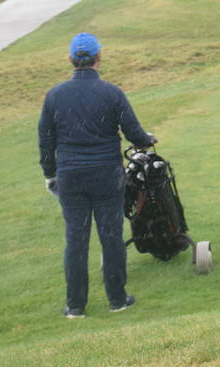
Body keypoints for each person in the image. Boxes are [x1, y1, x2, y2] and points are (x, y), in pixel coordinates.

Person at [38, 33, 156, 317]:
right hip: (105, 174)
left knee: (76, 240)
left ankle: (75, 306)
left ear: (70, 59)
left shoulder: (55, 95)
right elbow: (134, 134)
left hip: (70, 175)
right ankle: (117, 300)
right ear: (98, 58)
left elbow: (46, 139)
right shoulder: (111, 93)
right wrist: (147, 140)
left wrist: (49, 174)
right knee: (111, 236)